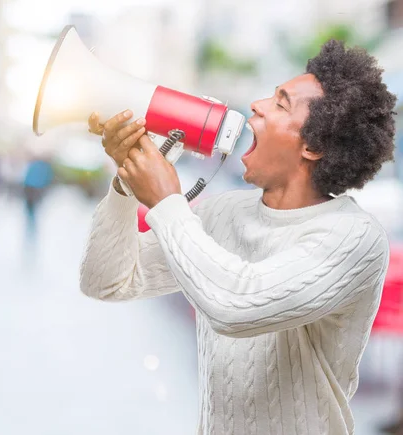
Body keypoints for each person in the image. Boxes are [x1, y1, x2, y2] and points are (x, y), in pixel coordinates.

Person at [80, 40, 396, 435]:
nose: (257, 105)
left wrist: (166, 200)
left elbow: (236, 305)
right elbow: (106, 281)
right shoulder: (223, 212)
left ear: (314, 145)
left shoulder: (354, 238)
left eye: (281, 104)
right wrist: (127, 184)